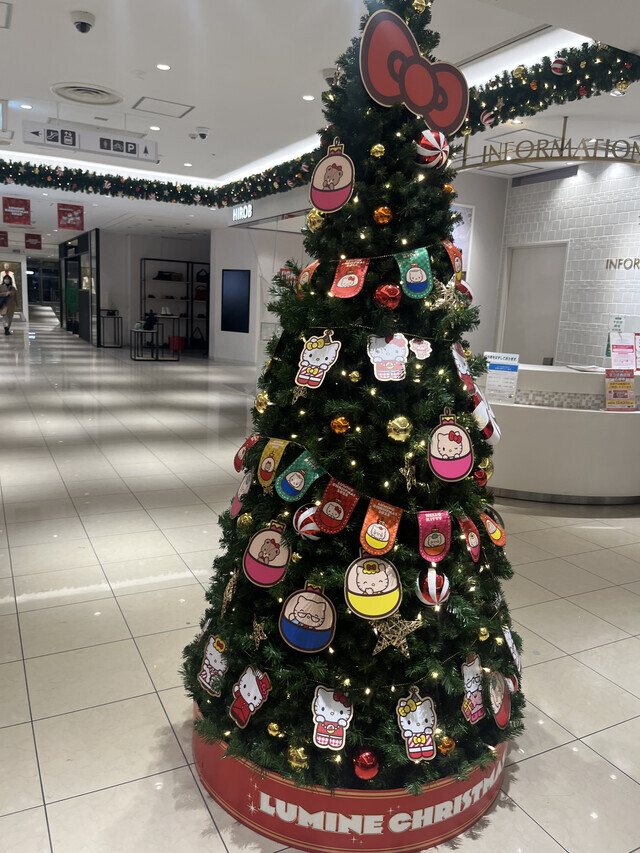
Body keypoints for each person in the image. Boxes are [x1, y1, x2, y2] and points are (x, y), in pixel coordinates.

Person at [0, 265, 17, 335]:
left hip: (11, 305)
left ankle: (8, 328)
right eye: (5, 279)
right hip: (4, 304)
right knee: (4, 318)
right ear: (3, 280)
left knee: (10, 318)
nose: (6, 280)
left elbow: (15, 296)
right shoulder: (1, 287)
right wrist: (5, 294)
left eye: (8, 279)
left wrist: (17, 305)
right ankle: (6, 329)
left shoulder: (13, 288)